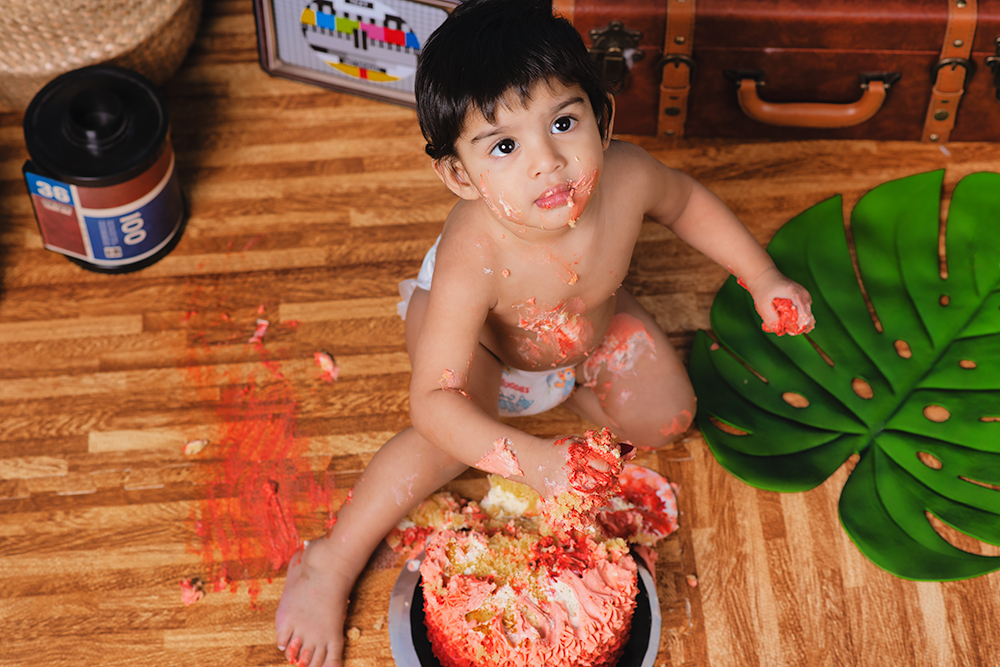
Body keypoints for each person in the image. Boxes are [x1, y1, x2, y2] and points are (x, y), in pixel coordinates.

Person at [276, 1, 814, 665]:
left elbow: (686, 203)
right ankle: (330, 560)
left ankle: (577, 393)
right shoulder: (473, 252)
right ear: (459, 175)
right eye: (504, 145)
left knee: (670, 416)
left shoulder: (626, 175)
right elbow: (433, 400)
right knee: (444, 442)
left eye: (563, 122)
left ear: (604, 118)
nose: (549, 162)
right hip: (478, 347)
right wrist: (528, 459)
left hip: (581, 328)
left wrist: (762, 278)